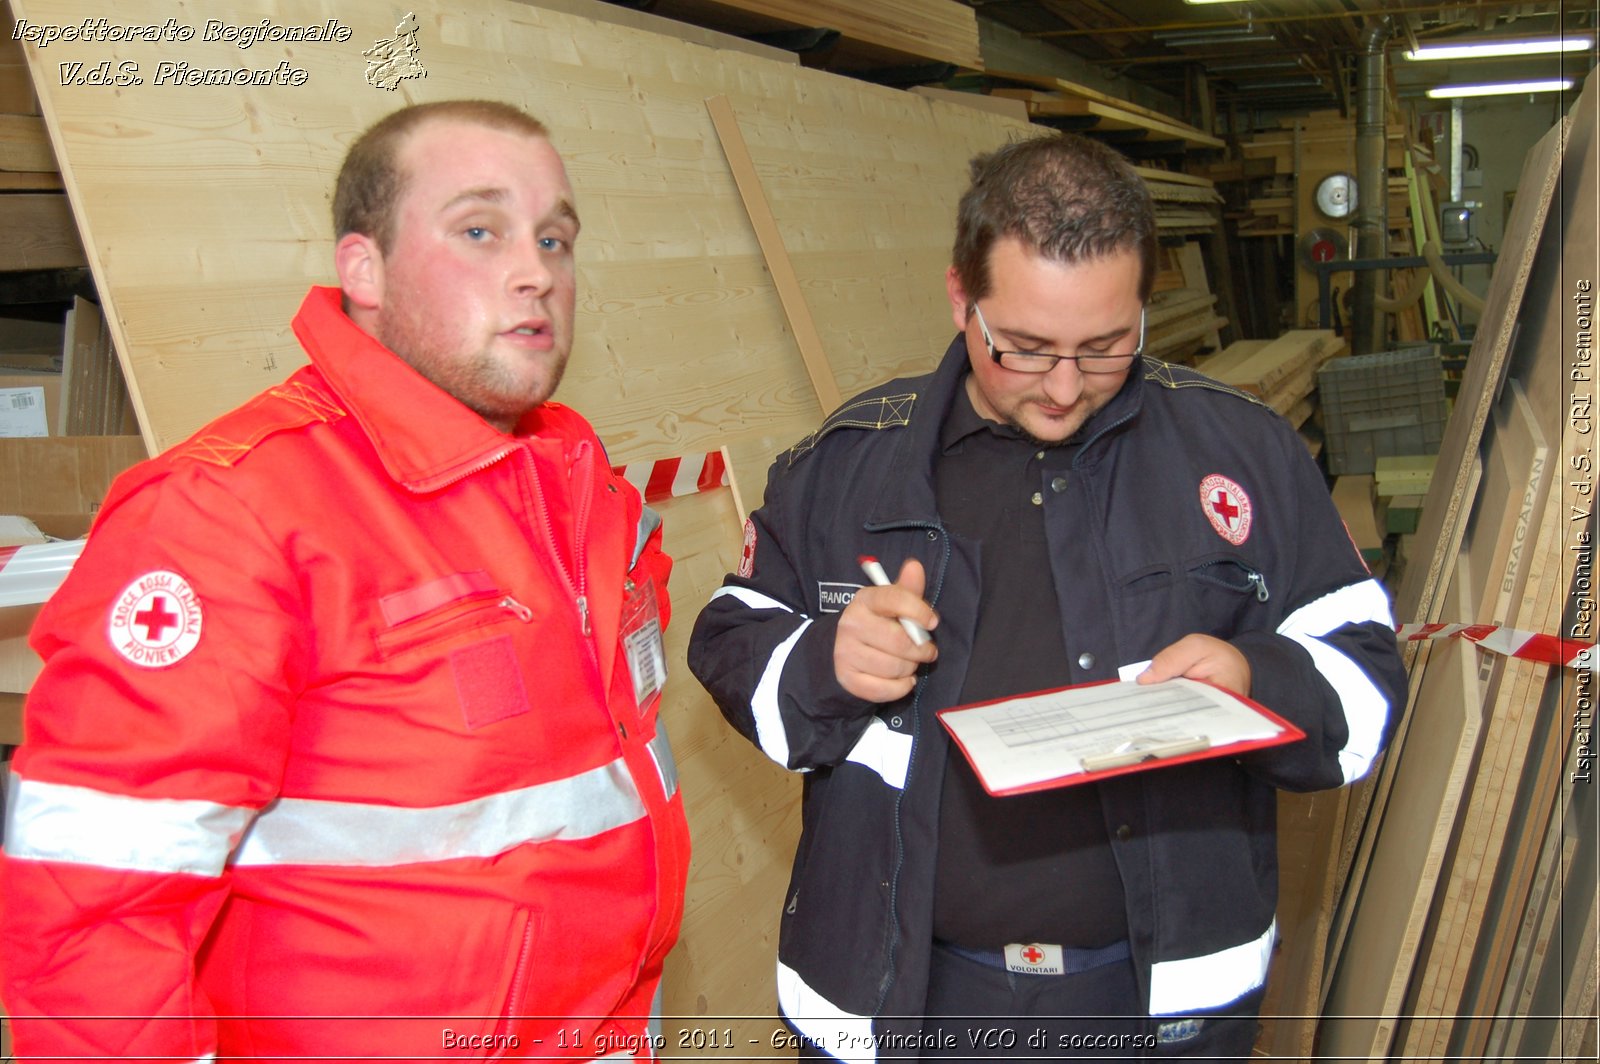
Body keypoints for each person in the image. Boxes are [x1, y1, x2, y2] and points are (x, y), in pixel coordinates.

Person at [687, 133, 1407, 1060]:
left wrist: (1256, 678)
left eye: (1105, 346)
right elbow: (730, 636)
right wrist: (825, 662)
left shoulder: (1243, 454)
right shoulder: (847, 468)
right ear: (961, 298)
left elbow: (1367, 671)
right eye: (1024, 349)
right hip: (907, 995)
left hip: (1160, 1006)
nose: (1065, 389)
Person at [0, 100, 688, 1060]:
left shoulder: (583, 495)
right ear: (362, 269)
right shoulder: (227, 516)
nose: (537, 272)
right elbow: (90, 913)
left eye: (555, 237)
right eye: (480, 231)